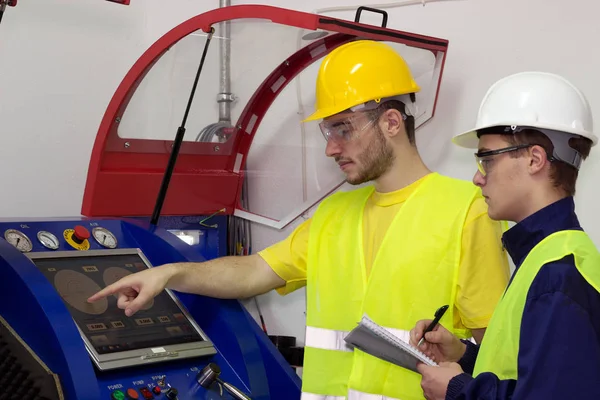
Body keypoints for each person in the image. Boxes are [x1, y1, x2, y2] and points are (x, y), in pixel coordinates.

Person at [88, 40, 510, 400]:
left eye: (343, 128)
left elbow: (494, 352)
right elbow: (254, 271)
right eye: (328, 131)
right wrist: (169, 273)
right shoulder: (333, 214)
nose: (332, 148)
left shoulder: (466, 210)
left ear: (392, 122)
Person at [410, 71, 600, 400]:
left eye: (487, 160)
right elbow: (530, 375)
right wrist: (462, 355)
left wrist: (457, 391)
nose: (477, 178)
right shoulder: (548, 258)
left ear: (534, 159)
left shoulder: (557, 275)